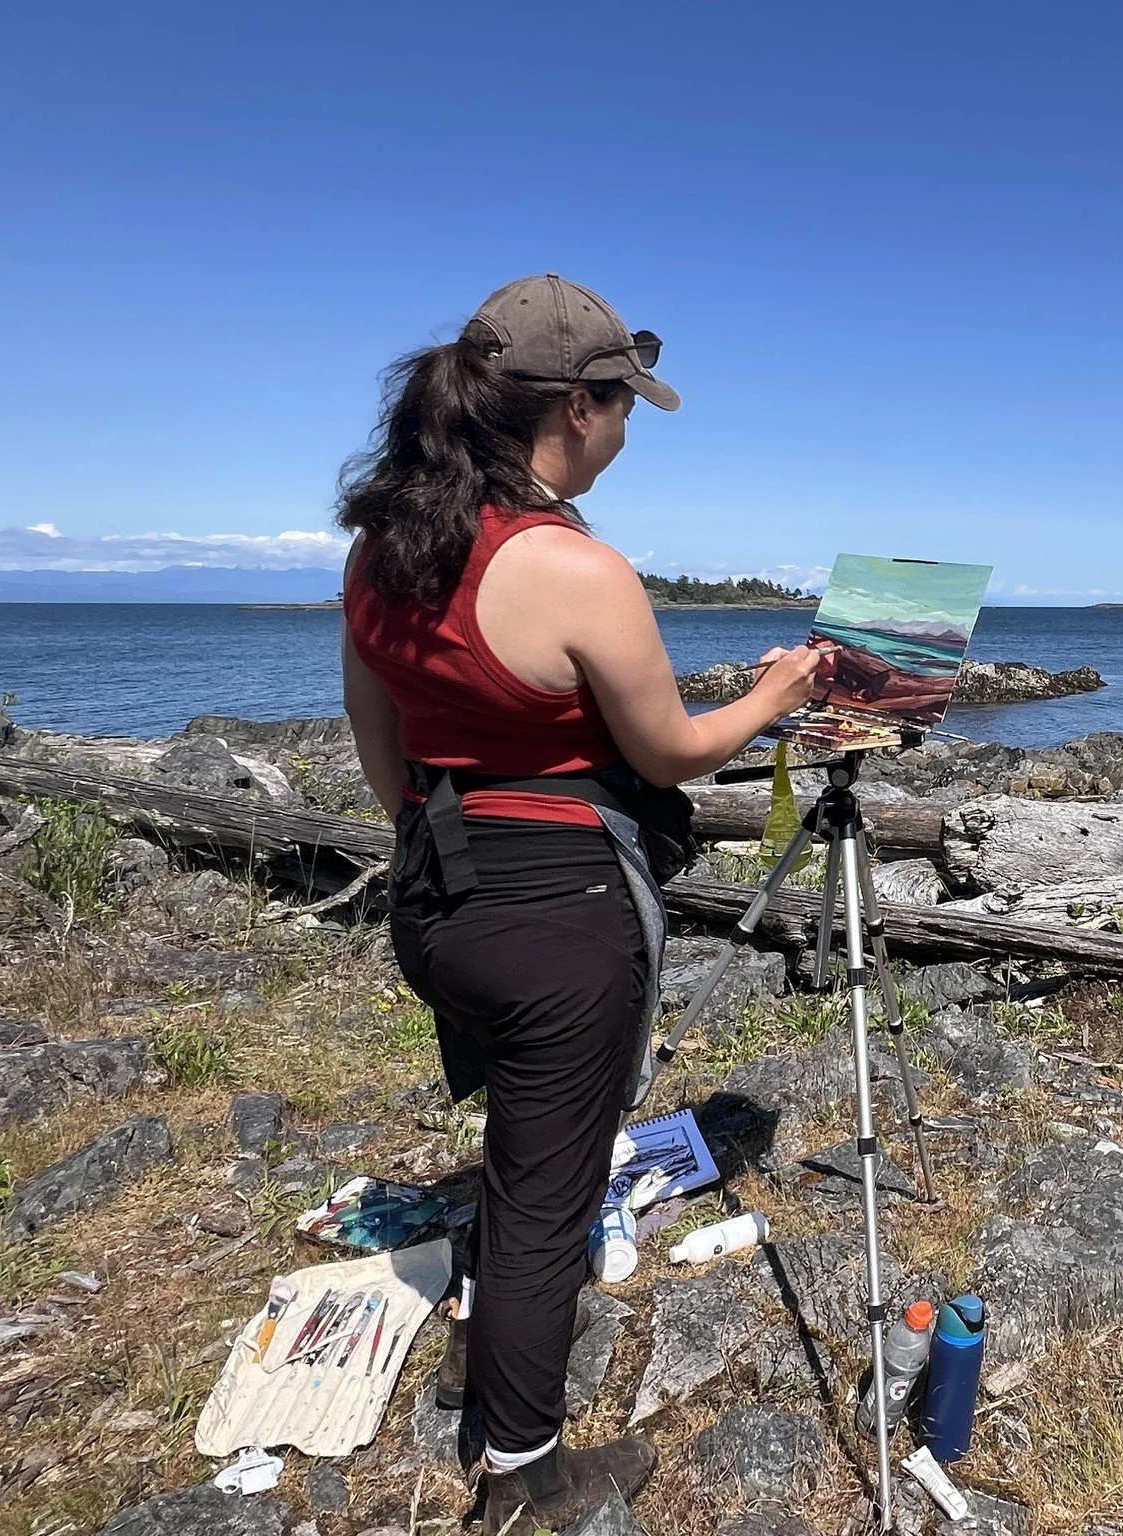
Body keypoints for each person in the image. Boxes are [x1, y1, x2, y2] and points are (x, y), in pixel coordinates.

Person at [337, 274, 820, 1533]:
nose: (626, 433)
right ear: (575, 410)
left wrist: (423, 836)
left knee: (521, 1144)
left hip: (437, 897)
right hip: (557, 913)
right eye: (624, 409)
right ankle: (526, 1474)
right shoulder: (571, 564)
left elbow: (377, 728)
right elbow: (667, 752)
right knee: (551, 1193)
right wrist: (777, 691)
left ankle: (478, 1341)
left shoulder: (385, 545)